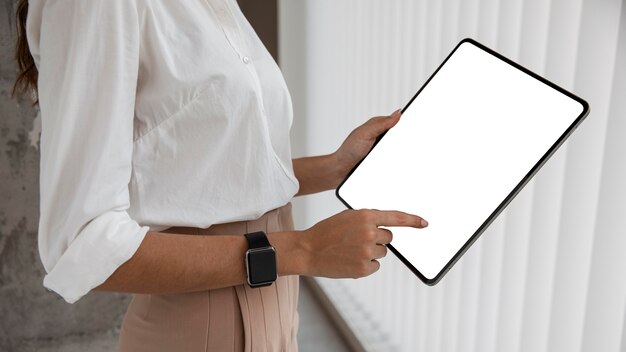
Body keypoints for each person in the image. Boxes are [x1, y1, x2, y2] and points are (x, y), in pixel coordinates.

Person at [13, 0, 428, 351]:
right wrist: (302, 249)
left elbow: (214, 179)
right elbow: (83, 241)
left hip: (280, 310)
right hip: (202, 327)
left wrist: (337, 167)